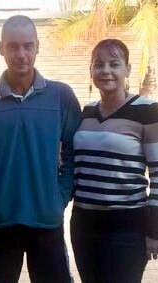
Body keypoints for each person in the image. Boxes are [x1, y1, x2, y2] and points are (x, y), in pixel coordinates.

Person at [0, 15, 82, 283]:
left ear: (38, 46)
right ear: (1, 48)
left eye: (28, 46)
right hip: (1, 221)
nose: (21, 54)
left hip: (47, 218)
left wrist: (60, 195)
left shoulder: (61, 96)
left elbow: (74, 152)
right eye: (13, 46)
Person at [71, 38, 158, 283]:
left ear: (127, 70)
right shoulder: (86, 112)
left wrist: (154, 231)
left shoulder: (148, 110)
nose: (106, 70)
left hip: (126, 227)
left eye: (115, 64)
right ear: (91, 70)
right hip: (84, 224)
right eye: (98, 64)